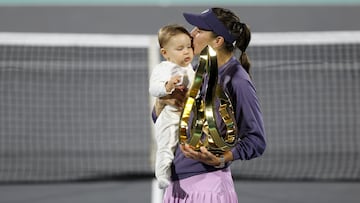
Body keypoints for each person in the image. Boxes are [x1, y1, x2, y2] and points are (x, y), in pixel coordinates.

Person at [152, 8, 266, 202]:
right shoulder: (195, 71)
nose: (191, 34)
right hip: (178, 184)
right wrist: (162, 103)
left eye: (199, 31)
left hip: (207, 188)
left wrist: (222, 158)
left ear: (217, 41)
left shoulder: (237, 80)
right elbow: (162, 119)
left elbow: (256, 141)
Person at [149, 24, 195, 189]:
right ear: (165, 53)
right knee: (167, 145)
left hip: (186, 117)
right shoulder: (163, 69)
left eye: (189, 47)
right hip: (169, 117)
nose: (186, 51)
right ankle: (162, 174)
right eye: (180, 48)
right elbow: (153, 88)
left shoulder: (190, 68)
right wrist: (167, 87)